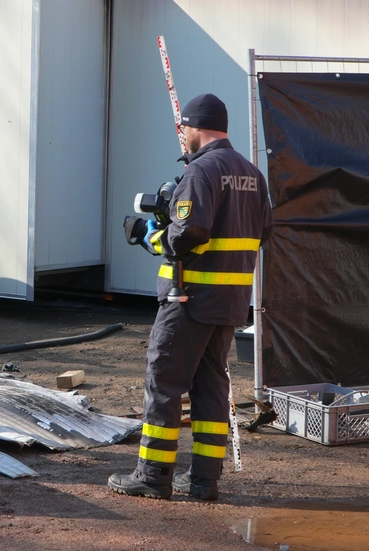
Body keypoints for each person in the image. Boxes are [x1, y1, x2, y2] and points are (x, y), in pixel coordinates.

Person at [109, 94, 273, 500]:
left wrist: (154, 236)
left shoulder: (202, 171)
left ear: (195, 128)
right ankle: (203, 479)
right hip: (228, 304)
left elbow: (189, 233)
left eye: (183, 130)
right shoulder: (252, 173)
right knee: (211, 387)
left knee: (164, 383)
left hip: (189, 301)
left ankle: (152, 475)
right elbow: (263, 232)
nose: (182, 137)